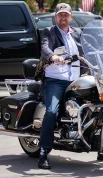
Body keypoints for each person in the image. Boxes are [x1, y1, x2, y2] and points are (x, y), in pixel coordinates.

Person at [37, 3, 85, 169]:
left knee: (96, 105)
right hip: (56, 79)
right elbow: (45, 48)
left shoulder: (78, 33)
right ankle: (43, 152)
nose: (63, 18)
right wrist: (53, 57)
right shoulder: (49, 32)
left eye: (66, 15)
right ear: (56, 17)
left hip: (76, 81)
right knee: (51, 111)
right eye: (60, 15)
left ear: (71, 17)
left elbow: (87, 51)